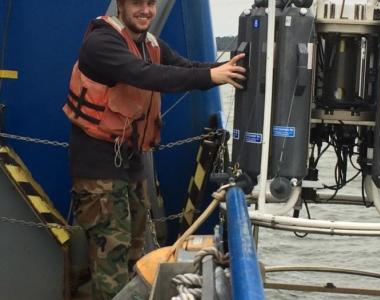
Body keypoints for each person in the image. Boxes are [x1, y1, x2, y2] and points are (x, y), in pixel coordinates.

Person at [62, 0, 246, 299]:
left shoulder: (150, 43)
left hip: (131, 166)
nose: (146, 10)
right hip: (99, 172)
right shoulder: (101, 42)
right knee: (111, 268)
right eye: (137, 3)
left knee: (135, 256)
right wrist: (211, 77)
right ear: (121, 5)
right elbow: (146, 75)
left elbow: (184, 68)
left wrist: (225, 70)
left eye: (151, 3)